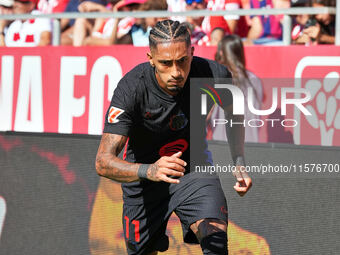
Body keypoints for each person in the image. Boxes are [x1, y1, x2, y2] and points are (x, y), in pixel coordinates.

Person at [96, 19, 252, 255]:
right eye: (165, 63)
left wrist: (238, 160)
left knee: (216, 239)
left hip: (193, 170)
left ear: (192, 51)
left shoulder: (214, 75)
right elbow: (102, 162)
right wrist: (150, 170)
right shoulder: (131, 88)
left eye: (182, 61)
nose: (176, 72)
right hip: (145, 180)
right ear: (150, 58)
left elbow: (234, 112)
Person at [213, 34, 263, 142]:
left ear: (222, 53)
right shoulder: (255, 79)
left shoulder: (220, 79)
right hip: (251, 143)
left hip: (224, 143)